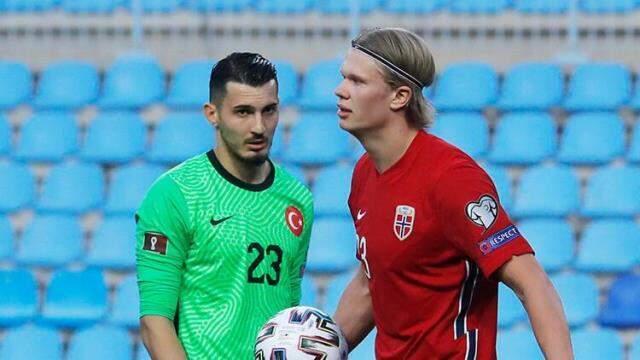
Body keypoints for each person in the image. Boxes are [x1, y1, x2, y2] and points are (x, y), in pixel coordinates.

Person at [332, 28, 573, 359]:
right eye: (344, 78)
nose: (340, 91)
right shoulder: (363, 174)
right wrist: (318, 346)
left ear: (399, 97)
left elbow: (532, 283)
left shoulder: (452, 179)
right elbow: (369, 285)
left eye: (357, 82)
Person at [136, 52, 314, 359]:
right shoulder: (174, 194)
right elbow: (155, 323)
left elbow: (288, 313)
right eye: (243, 112)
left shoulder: (298, 199)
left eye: (268, 111)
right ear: (212, 114)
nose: (259, 127)